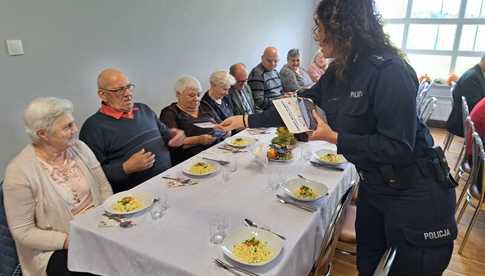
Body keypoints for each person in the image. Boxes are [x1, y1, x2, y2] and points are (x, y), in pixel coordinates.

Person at [217, 0, 457, 275]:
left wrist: (334, 137)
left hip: (416, 195)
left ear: (345, 28)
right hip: (374, 188)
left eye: (321, 27)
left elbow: (397, 147)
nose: (317, 36)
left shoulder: (390, 71)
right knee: (367, 267)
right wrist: (248, 120)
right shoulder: (342, 68)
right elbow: (300, 103)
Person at [4, 97, 113, 276]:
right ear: (42, 134)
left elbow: (103, 188)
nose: (75, 130)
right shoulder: (19, 173)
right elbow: (23, 231)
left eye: (73, 123)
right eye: (67, 127)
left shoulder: (80, 148)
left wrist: (107, 218)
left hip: (98, 227)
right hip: (56, 247)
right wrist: (68, 241)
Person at [79, 68, 185, 193]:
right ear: (102, 94)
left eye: (128, 87)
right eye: (119, 90)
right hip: (136, 198)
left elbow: (165, 135)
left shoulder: (143, 109)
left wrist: (175, 135)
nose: (128, 93)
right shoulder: (93, 127)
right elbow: (92, 175)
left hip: (170, 182)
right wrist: (125, 168)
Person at [160, 75, 225, 165]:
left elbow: (221, 124)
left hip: (217, 152)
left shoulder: (204, 105)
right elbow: (172, 142)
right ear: (178, 94)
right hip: (190, 161)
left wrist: (225, 130)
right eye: (191, 95)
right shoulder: (170, 113)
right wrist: (198, 140)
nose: (196, 99)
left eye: (198, 95)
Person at [446, 55, 485, 137]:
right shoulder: (473, 77)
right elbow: (474, 106)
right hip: (462, 123)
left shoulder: (476, 73)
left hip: (464, 119)